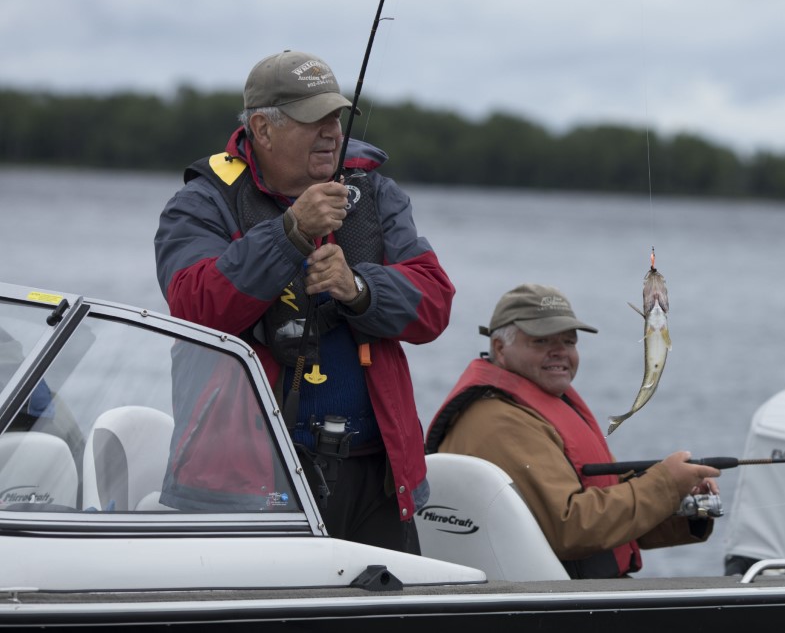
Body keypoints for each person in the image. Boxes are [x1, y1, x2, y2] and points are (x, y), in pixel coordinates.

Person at [154, 49, 454, 552]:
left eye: (336, 116)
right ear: (262, 129)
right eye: (313, 118)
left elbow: (434, 306)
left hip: (376, 478)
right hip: (246, 484)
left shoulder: (375, 194)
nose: (332, 131)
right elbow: (194, 308)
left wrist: (360, 289)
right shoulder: (202, 202)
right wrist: (290, 233)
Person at [425, 283, 719, 578]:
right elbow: (571, 527)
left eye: (569, 341)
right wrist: (664, 484)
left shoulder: (527, 405)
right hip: (548, 604)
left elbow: (607, 516)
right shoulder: (499, 421)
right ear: (500, 348)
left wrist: (681, 501)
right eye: (541, 342)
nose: (560, 352)